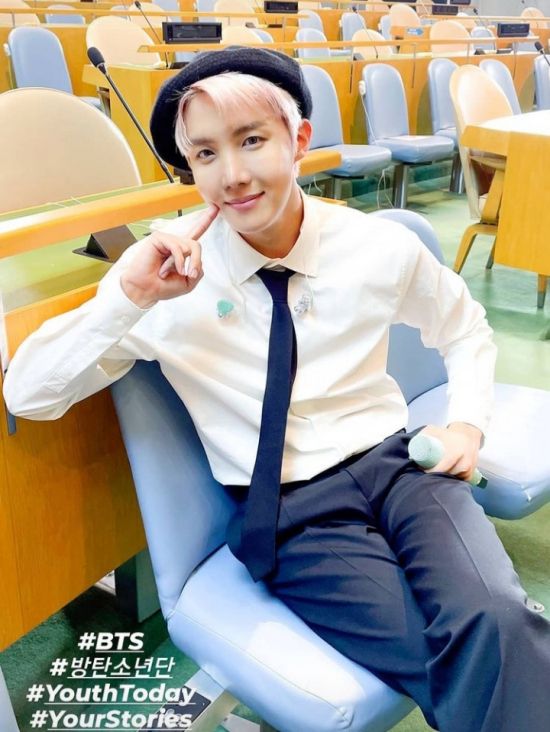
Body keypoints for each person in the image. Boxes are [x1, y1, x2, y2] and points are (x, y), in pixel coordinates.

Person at [3, 47, 550, 731]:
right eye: (205, 154)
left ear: (299, 140)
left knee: (497, 615)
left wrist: (467, 422)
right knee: (448, 650)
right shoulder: (168, 282)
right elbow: (29, 395)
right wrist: (128, 298)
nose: (232, 175)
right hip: (290, 512)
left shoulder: (373, 245)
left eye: (252, 140)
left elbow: (464, 327)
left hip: (403, 468)